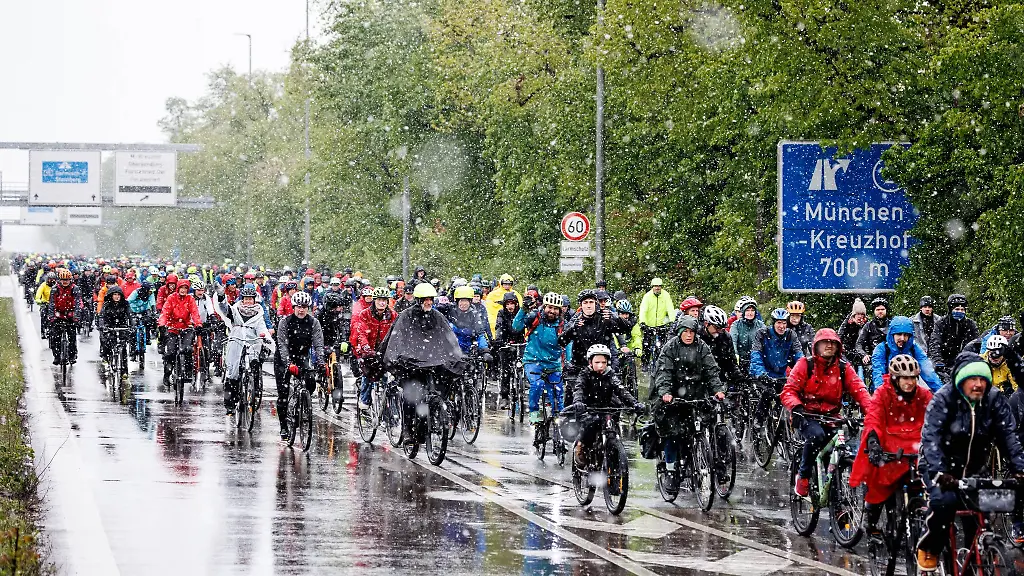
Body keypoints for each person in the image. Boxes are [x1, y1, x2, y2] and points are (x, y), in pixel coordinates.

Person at [916, 352, 1024, 571]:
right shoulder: (944, 399)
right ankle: (931, 546)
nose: (978, 385)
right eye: (972, 379)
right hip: (940, 467)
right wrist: (939, 472)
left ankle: (975, 559)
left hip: (975, 469)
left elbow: (1008, 436)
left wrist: (1019, 468)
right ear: (961, 381)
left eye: (982, 379)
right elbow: (931, 438)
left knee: (988, 509)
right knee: (944, 503)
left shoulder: (994, 400)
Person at [850, 354, 933, 542]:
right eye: (905, 378)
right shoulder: (883, 393)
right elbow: (874, 419)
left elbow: (934, 419)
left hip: (916, 446)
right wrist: (873, 443)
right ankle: (870, 522)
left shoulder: (923, 395)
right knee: (879, 484)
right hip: (890, 447)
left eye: (913, 378)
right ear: (896, 378)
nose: (910, 382)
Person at [780, 328, 871, 497]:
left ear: (838, 346)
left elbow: (859, 390)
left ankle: (837, 505)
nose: (829, 345)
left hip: (832, 416)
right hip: (807, 414)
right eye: (825, 342)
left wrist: (873, 413)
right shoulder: (805, 364)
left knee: (837, 452)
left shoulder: (843, 367)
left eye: (833, 343)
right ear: (817, 346)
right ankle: (804, 475)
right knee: (816, 436)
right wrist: (797, 408)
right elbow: (789, 390)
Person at [378, 282, 466, 440]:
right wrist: (404, 357)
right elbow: (398, 339)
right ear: (418, 300)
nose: (429, 302)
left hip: (433, 363)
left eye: (431, 299)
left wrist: (455, 356)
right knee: (410, 395)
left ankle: (434, 418)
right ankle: (406, 428)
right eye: (425, 299)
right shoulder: (406, 316)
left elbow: (448, 338)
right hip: (412, 364)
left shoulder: (437, 317)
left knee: (441, 388)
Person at [649, 315, 725, 469]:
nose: (689, 335)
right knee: (672, 431)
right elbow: (664, 373)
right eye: (686, 332)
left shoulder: (702, 346)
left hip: (696, 393)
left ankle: (715, 464)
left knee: (709, 423)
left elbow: (711, 370)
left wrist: (718, 390)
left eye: (692, 332)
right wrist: (665, 392)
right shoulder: (670, 347)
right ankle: (670, 467)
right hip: (674, 396)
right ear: (680, 332)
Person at [566, 344, 644, 466]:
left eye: (604, 362)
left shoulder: (610, 374)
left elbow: (621, 390)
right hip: (589, 408)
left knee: (612, 428)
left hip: (607, 407)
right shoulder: (584, 374)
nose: (601, 365)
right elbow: (579, 389)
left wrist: (635, 403)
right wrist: (578, 402)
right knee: (589, 427)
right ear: (590, 362)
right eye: (597, 362)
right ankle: (581, 446)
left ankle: (613, 457)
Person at [557, 289, 630, 412]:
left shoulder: (605, 318)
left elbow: (626, 327)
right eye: (585, 302)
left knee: (615, 405)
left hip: (602, 368)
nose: (589, 305)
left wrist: (615, 317)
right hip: (580, 368)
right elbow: (562, 341)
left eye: (591, 302)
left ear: (595, 303)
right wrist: (573, 329)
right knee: (572, 405)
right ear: (581, 305)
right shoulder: (576, 320)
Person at [213, 284, 271, 415]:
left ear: (254, 299)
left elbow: (262, 328)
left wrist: (265, 337)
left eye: (251, 299)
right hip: (237, 342)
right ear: (242, 299)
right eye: (246, 299)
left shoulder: (259, 313)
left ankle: (253, 391)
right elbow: (224, 309)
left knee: (255, 365)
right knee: (233, 373)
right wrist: (222, 297)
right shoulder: (235, 310)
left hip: (252, 343)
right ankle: (230, 404)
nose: (248, 301)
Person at [275, 291, 325, 440]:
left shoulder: (314, 322)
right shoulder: (285, 322)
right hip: (283, 359)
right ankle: (284, 426)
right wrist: (288, 363)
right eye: (298, 307)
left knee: (310, 382)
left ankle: (301, 405)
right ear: (293, 307)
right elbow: (282, 345)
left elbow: (318, 345)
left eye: (304, 307)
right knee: (283, 393)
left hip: (301, 356)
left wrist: (321, 362)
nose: (301, 310)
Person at [513, 292, 565, 425]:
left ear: (559, 310)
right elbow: (516, 327)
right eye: (549, 307)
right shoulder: (534, 316)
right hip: (533, 360)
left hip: (553, 363)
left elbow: (568, 345)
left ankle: (558, 419)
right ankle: (534, 412)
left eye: (555, 309)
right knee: (537, 384)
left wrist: (568, 362)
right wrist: (523, 309)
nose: (552, 311)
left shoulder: (562, 325)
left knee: (558, 392)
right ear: (544, 306)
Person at [870, 316, 944, 392]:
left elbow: (928, 373)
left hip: (908, 391)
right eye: (899, 334)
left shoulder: (914, 348)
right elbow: (878, 374)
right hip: (886, 391)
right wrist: (882, 395)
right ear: (892, 334)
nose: (902, 338)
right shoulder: (882, 349)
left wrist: (942, 394)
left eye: (906, 335)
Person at [352, 287, 396, 410]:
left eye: (385, 300)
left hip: (386, 350)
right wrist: (366, 349)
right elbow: (361, 333)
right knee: (369, 373)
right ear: (374, 301)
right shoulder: (365, 314)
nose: (382, 303)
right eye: (379, 300)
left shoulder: (393, 315)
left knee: (393, 378)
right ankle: (364, 400)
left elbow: (398, 333)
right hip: (370, 350)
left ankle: (393, 408)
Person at [158, 279, 201, 387]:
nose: (183, 290)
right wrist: (162, 325)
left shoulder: (190, 299)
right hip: (172, 328)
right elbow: (165, 312)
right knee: (170, 352)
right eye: (181, 288)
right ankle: (167, 374)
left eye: (185, 288)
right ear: (178, 288)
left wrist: (198, 324)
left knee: (188, 349)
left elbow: (195, 313)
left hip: (186, 328)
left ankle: (188, 371)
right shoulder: (171, 298)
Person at [927, 293, 979, 375]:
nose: (960, 312)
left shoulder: (970, 324)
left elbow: (976, 343)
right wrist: (938, 361)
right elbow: (935, 343)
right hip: (944, 364)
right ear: (950, 310)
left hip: (964, 363)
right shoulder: (941, 323)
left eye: (962, 310)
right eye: (957, 309)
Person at [749, 308, 804, 380]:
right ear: (773, 323)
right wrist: (761, 374)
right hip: (762, 375)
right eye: (779, 322)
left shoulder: (790, 335)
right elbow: (756, 356)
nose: (782, 326)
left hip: (781, 376)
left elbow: (799, 355)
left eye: (784, 323)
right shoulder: (762, 334)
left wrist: (804, 369)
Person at [493, 291, 526, 410]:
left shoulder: (521, 313)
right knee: (505, 370)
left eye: (512, 304)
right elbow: (499, 327)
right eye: (508, 304)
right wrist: (499, 339)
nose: (510, 306)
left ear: (516, 304)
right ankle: (504, 397)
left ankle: (523, 383)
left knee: (524, 363)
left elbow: (528, 324)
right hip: (505, 343)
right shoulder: (501, 313)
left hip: (520, 342)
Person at [698, 305, 742, 389]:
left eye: (722, 328)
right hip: (699, 379)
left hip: (719, 378)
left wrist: (740, 380)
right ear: (706, 324)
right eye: (717, 328)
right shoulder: (697, 337)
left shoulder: (725, 337)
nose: (719, 331)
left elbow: (731, 363)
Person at [638, 278, 674, 371]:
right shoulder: (647, 296)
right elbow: (643, 310)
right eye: (655, 286)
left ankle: (661, 363)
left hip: (661, 325)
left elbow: (670, 308)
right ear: (652, 287)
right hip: (649, 325)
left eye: (659, 286)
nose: (657, 288)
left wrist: (672, 321)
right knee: (646, 345)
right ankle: (645, 362)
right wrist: (642, 322)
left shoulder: (666, 295)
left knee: (662, 346)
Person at [47, 269, 82, 364]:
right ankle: (57, 356)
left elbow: (78, 303)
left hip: (70, 315)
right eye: (63, 280)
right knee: (55, 338)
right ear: (60, 280)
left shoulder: (75, 289)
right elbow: (51, 304)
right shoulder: (55, 289)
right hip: (58, 315)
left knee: (72, 337)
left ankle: (72, 356)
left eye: (67, 280)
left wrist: (76, 316)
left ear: (70, 280)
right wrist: (51, 316)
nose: (65, 282)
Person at [856, 296, 891, 388]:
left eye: (882, 309)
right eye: (878, 309)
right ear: (874, 311)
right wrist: (864, 355)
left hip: (891, 358)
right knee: (876, 382)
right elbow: (859, 344)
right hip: (873, 359)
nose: (880, 311)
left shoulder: (892, 325)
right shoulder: (868, 326)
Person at [98, 286, 131, 373]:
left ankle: (124, 372)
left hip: (122, 326)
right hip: (110, 326)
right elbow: (101, 316)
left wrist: (132, 325)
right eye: (115, 294)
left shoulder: (125, 304)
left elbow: (131, 315)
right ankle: (107, 357)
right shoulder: (107, 304)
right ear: (111, 295)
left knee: (123, 348)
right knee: (107, 341)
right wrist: (103, 326)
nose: (117, 297)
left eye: (118, 295)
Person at [730, 296, 764, 374]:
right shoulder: (736, 325)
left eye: (752, 310)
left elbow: (766, 343)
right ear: (743, 311)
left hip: (756, 362)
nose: (750, 313)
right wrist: (735, 356)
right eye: (747, 310)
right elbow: (733, 341)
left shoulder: (761, 325)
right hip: (740, 362)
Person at [838, 298, 869, 367]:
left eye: (862, 314)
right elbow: (840, 334)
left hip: (861, 351)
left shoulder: (867, 324)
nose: (860, 316)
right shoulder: (847, 323)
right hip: (848, 351)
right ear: (854, 315)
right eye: (858, 314)